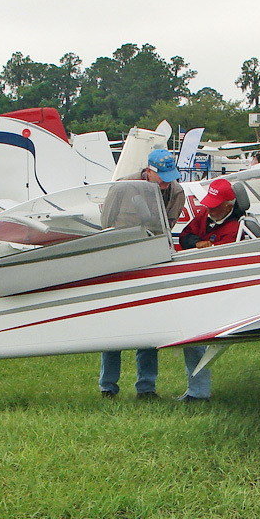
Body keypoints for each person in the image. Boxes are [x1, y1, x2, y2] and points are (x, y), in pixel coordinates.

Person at [99, 148, 187, 399]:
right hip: (119, 265)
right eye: (162, 177)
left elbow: (167, 228)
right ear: (148, 171)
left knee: (149, 328)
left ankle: (146, 387)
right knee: (113, 329)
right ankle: (108, 386)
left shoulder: (177, 192)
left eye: (170, 177)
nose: (166, 183)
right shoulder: (121, 187)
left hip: (151, 265)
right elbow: (106, 225)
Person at [174, 178, 244, 401]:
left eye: (215, 206)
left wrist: (207, 247)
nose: (209, 210)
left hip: (215, 289)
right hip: (195, 283)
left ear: (228, 205)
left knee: (194, 337)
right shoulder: (206, 215)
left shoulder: (234, 228)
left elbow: (220, 260)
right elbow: (184, 236)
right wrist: (197, 243)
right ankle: (196, 391)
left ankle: (198, 393)